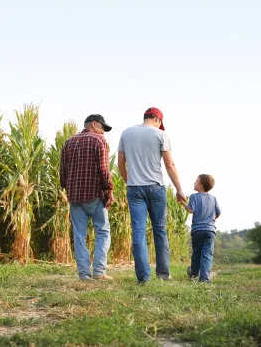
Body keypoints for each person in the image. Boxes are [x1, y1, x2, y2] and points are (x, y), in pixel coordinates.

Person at [118, 107, 186, 283]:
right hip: (156, 188)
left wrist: (130, 182)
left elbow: (120, 164)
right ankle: (163, 275)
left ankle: (143, 278)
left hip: (135, 189)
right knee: (160, 231)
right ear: (157, 119)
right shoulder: (160, 135)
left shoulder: (126, 133)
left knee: (138, 232)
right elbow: (169, 164)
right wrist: (179, 189)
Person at [60, 114, 115, 282]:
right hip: (94, 195)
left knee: (79, 235)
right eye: (102, 128)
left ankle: (84, 274)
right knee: (103, 231)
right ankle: (99, 271)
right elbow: (104, 170)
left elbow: (62, 172)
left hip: (75, 197)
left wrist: (68, 188)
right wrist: (109, 190)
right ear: (94, 124)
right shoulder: (98, 141)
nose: (103, 133)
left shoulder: (68, 142)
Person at [179, 174, 221, 283]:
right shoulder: (213, 198)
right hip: (210, 231)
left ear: (201, 186)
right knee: (207, 254)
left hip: (197, 231)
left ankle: (193, 274)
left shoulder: (194, 196)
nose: (194, 182)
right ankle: (204, 279)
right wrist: (212, 220)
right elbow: (218, 212)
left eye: (196, 181)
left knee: (196, 253)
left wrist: (182, 201)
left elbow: (190, 209)